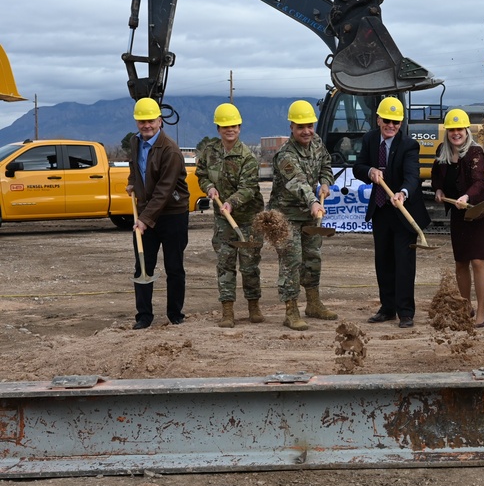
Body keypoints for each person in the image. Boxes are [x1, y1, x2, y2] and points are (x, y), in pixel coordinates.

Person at [353, 96, 431, 328]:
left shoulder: (408, 145)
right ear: (378, 119)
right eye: (387, 120)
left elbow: (412, 176)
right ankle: (387, 308)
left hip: (404, 210)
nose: (391, 126)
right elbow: (358, 166)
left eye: (396, 122)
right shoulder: (369, 140)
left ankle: (405, 312)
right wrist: (369, 172)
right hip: (380, 209)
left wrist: (403, 193)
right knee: (384, 261)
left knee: (404, 262)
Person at [268, 99, 338, 331]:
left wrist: (326, 182)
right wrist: (313, 201)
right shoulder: (285, 155)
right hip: (287, 216)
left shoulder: (317, 143)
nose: (307, 131)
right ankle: (291, 310)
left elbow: (326, 163)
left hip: (310, 213)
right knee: (292, 261)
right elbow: (297, 182)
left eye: (310, 125)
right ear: (291, 127)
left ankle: (313, 303)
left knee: (312, 258)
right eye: (301, 127)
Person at [196, 103, 265, 328]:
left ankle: (253, 307)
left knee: (249, 265)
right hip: (222, 220)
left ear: (240, 127)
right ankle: (227, 311)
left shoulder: (247, 157)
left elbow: (249, 188)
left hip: (247, 219)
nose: (230, 130)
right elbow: (202, 175)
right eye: (225, 126)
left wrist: (231, 202)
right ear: (218, 128)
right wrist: (209, 188)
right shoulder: (209, 151)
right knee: (225, 263)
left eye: (234, 126)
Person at [126, 97, 190, 329]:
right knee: (143, 263)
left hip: (173, 213)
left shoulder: (170, 150)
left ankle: (175, 314)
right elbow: (135, 166)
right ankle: (144, 316)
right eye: (142, 121)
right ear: (136, 122)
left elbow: (164, 190)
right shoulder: (135, 142)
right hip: (146, 212)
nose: (146, 125)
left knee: (174, 265)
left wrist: (144, 220)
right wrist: (133, 181)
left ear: (160, 121)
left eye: (151, 121)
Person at [431, 108, 484, 328]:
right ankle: (465, 307)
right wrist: (439, 191)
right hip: (459, 213)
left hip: (480, 210)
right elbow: (436, 176)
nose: (456, 133)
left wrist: (467, 195)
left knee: (478, 260)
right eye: (452, 129)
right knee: (461, 262)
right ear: (447, 131)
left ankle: (481, 312)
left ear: (467, 130)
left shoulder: (475, 152)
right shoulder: (442, 151)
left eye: (460, 129)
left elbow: (478, 182)